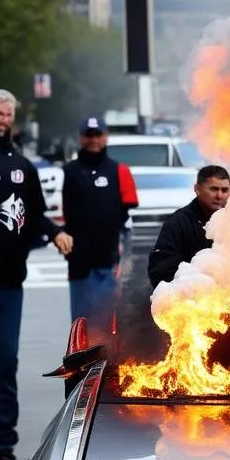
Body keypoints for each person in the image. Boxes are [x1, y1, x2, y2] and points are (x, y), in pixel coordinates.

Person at [0, 90, 72, 460]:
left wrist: (56, 232)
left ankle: (2, 446)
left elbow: (38, 214)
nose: (2, 117)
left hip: (9, 281)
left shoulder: (21, 165)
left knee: (5, 360)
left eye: (8, 112)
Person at [60, 117, 138, 391]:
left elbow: (128, 219)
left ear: (105, 136)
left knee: (106, 325)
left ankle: (105, 386)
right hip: (79, 263)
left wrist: (126, 260)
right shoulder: (69, 171)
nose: (93, 139)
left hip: (109, 261)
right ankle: (77, 387)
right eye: (89, 134)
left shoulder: (119, 170)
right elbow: (65, 214)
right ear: (81, 137)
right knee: (81, 327)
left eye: (98, 134)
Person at [148, 165, 230, 288]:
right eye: (214, 189)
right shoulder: (177, 223)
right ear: (197, 189)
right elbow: (162, 268)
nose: (219, 196)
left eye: (224, 190)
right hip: (194, 299)